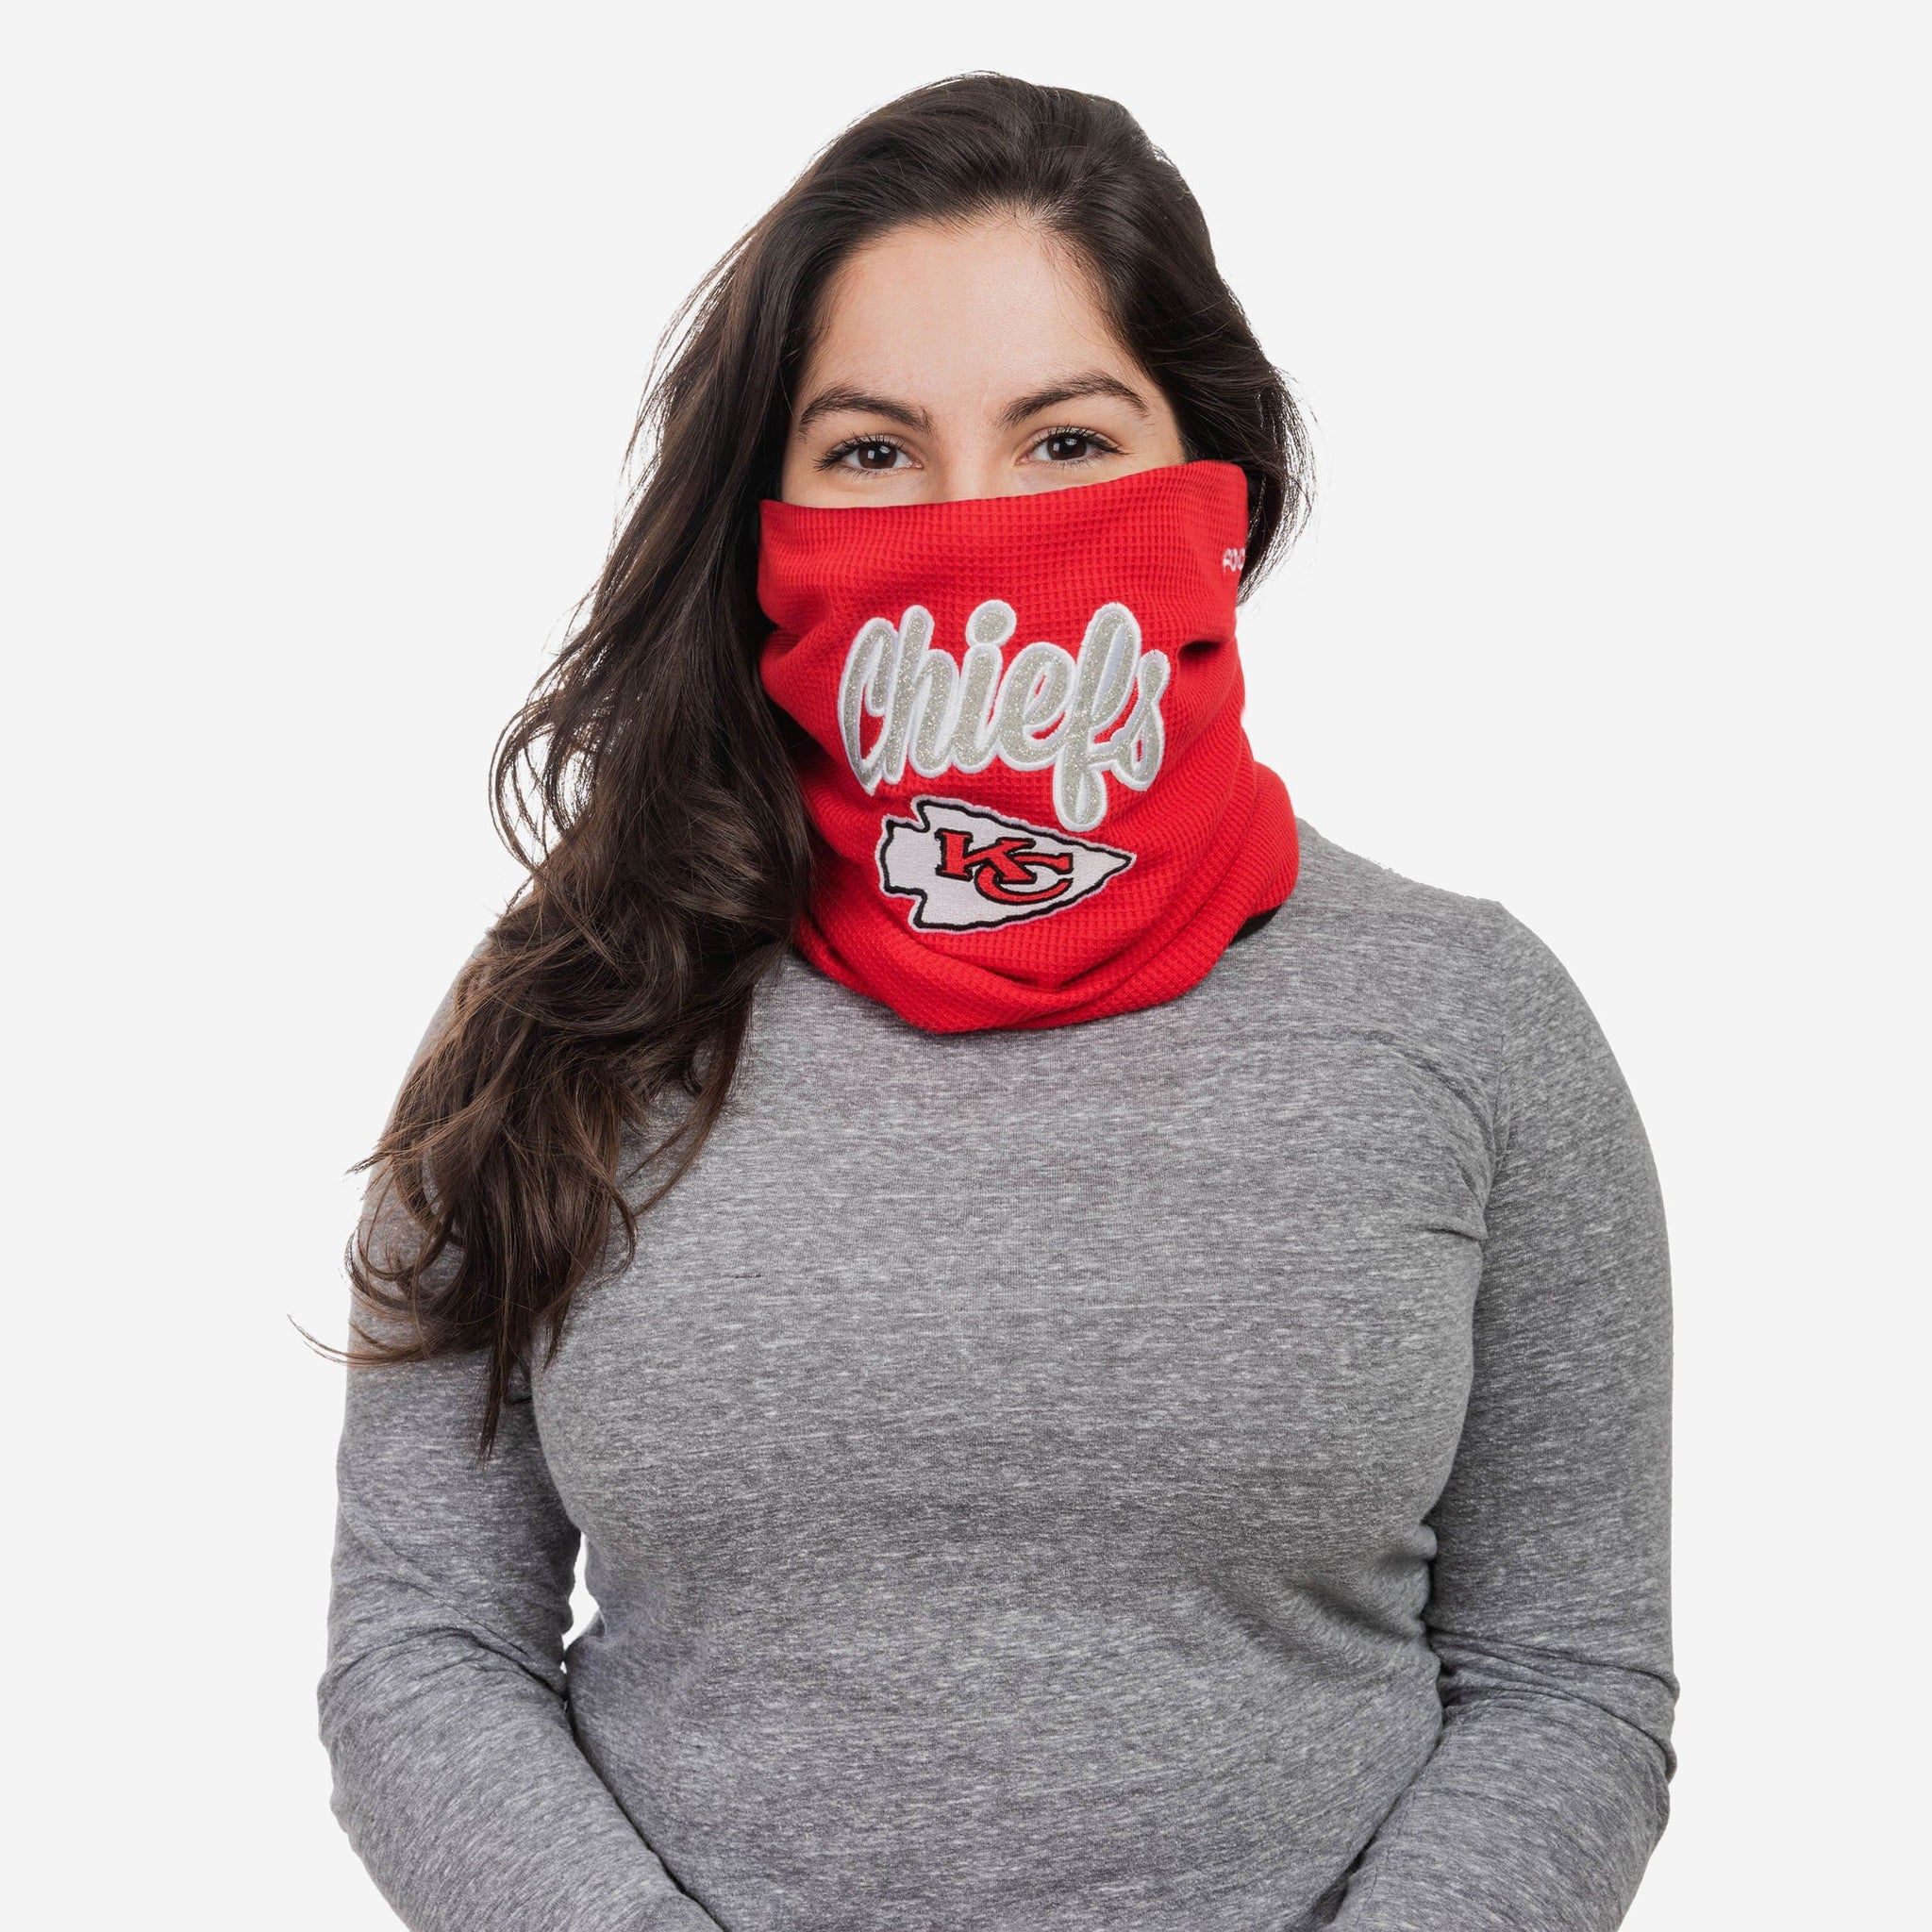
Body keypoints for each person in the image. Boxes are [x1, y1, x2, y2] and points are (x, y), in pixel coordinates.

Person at [318, 73, 1676, 1932]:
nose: (975, 523)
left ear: (1216, 482)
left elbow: (1565, 1672)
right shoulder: (572, 1005)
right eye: (875, 450)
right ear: (769, 511)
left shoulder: (1471, 1020)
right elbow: (422, 1643)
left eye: (1065, 439)